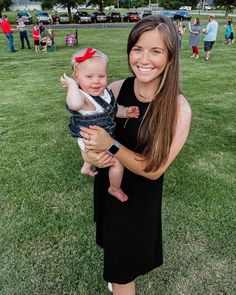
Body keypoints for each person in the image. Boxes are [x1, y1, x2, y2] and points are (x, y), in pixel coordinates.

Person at [79, 15, 191, 294]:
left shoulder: (178, 109)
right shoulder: (116, 89)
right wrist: (89, 155)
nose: (144, 59)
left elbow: (154, 169)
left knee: (121, 274)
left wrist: (110, 145)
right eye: (137, 48)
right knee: (115, 254)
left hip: (137, 202)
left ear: (170, 57)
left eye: (156, 51)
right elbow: (87, 125)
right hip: (109, 189)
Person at [61, 48, 140, 202]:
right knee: (117, 163)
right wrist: (71, 86)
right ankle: (114, 188)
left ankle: (86, 166)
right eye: (89, 76)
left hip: (101, 136)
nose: (96, 81)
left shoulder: (104, 93)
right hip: (90, 139)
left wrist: (125, 112)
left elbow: (113, 109)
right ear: (77, 78)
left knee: (102, 150)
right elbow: (75, 104)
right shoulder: (82, 97)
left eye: (101, 76)